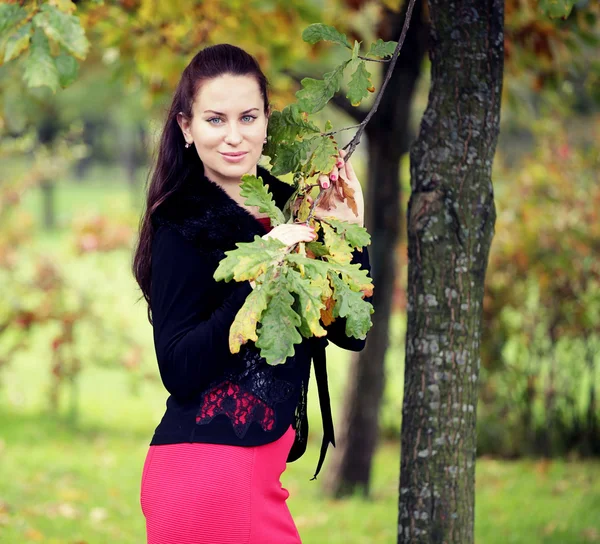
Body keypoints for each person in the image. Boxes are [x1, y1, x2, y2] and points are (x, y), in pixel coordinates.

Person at [132, 43, 374, 544]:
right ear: (186, 127)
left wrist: (349, 237)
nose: (234, 137)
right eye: (215, 120)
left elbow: (352, 334)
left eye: (248, 117)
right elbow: (179, 369)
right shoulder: (180, 225)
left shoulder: (289, 208)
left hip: (255, 475)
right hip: (208, 475)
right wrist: (259, 271)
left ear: (267, 120)